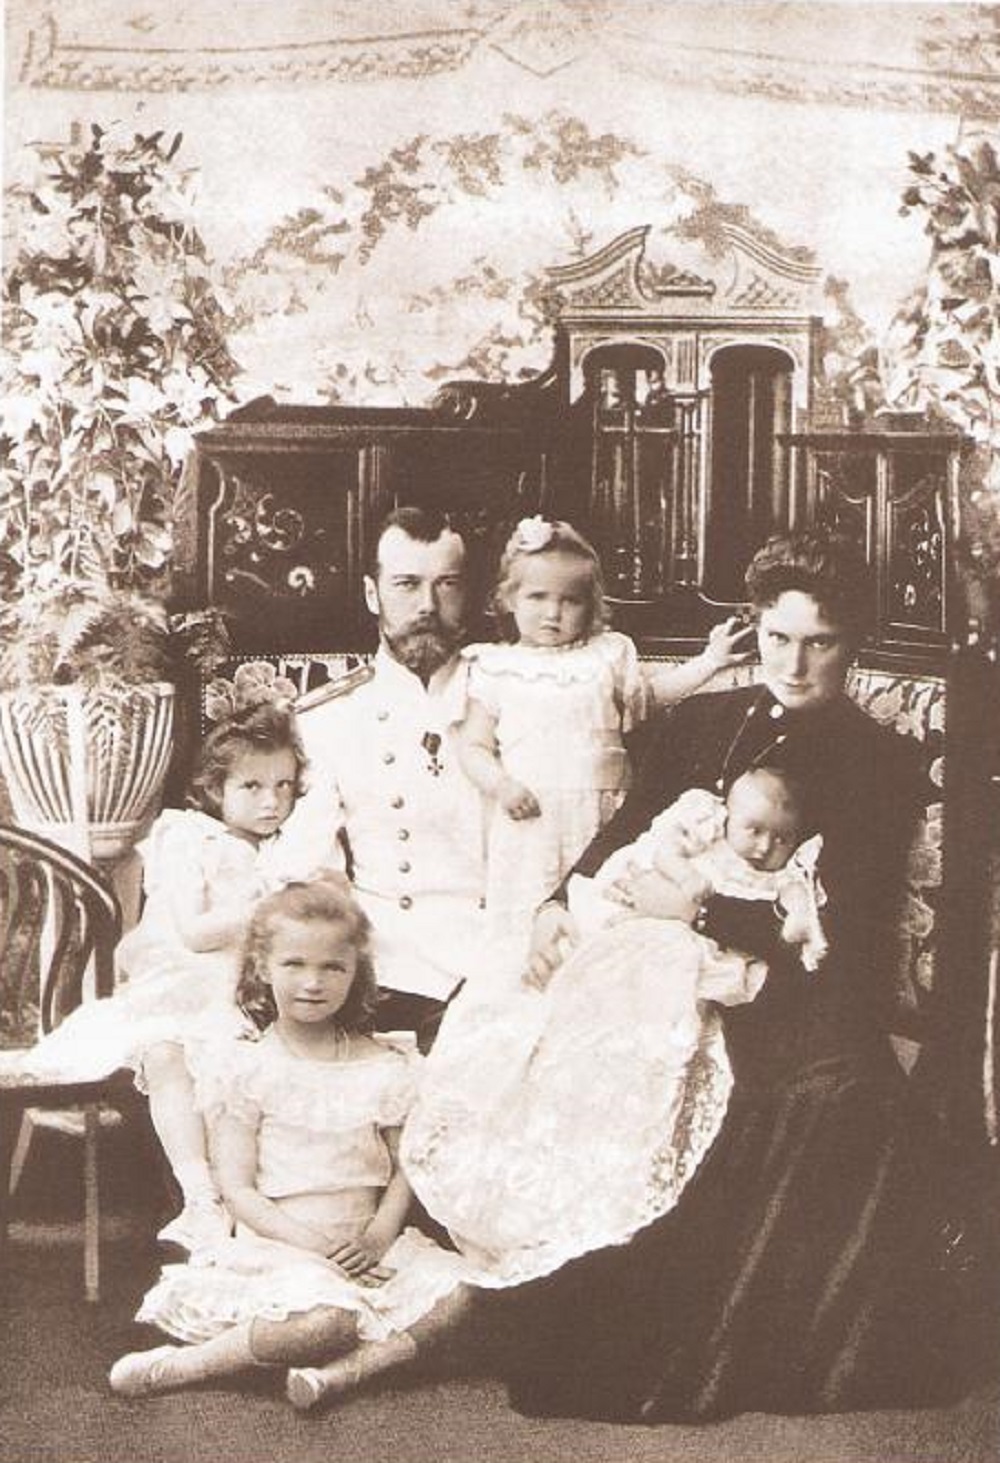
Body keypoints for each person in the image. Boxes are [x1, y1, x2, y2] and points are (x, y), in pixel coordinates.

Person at [491, 527, 984, 1423]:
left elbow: (845, 915)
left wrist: (696, 913)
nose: (793, 663)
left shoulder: (876, 758)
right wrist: (555, 904)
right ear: (755, 626)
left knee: (806, 1097)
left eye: (820, 642)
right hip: (652, 957)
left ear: (851, 645)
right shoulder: (700, 722)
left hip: (797, 988)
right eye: (778, 636)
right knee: (522, 1030)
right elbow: (622, 832)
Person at [401, 767, 824, 1286]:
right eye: (753, 831)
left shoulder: (787, 857)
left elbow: (801, 924)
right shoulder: (703, 813)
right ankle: (507, 1207)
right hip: (629, 934)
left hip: (693, 964)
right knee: (527, 1019)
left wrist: (699, 913)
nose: (764, 847)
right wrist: (556, 906)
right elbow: (634, 834)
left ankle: (575, 1233)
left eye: (780, 839)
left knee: (639, 1069)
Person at [108, 878, 472, 1407]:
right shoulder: (248, 1067)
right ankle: (183, 1366)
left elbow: (406, 1165)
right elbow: (238, 1188)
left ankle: (341, 1375)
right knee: (326, 1320)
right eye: (294, 964)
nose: (313, 982)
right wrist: (316, 1247)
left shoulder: (385, 1064)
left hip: (366, 1243)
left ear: (356, 971)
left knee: (461, 1291)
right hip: (282, 1247)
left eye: (333, 967)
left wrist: (377, 1235)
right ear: (262, 967)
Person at [18, 703, 306, 1252]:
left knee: (248, 1069)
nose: (272, 801)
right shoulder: (187, 837)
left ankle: (249, 1199)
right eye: (251, 786)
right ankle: (200, 1197)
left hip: (249, 990)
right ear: (215, 788)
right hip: (186, 985)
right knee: (169, 1055)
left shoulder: (283, 848)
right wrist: (272, 905)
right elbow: (195, 932)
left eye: (284, 785)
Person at [456, 516, 752, 955]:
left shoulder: (607, 655)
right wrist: (501, 785)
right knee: (528, 924)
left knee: (600, 911)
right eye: (537, 597)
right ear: (508, 599)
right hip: (531, 819)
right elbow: (473, 746)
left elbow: (650, 699)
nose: (553, 613)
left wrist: (708, 662)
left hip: (602, 815)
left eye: (570, 600)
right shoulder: (495, 667)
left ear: (590, 604)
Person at [274, 506, 486, 1047]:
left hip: (499, 950)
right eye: (407, 585)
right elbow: (311, 866)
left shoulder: (513, 694)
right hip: (391, 963)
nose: (427, 606)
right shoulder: (327, 718)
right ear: (373, 594)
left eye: (446, 584)